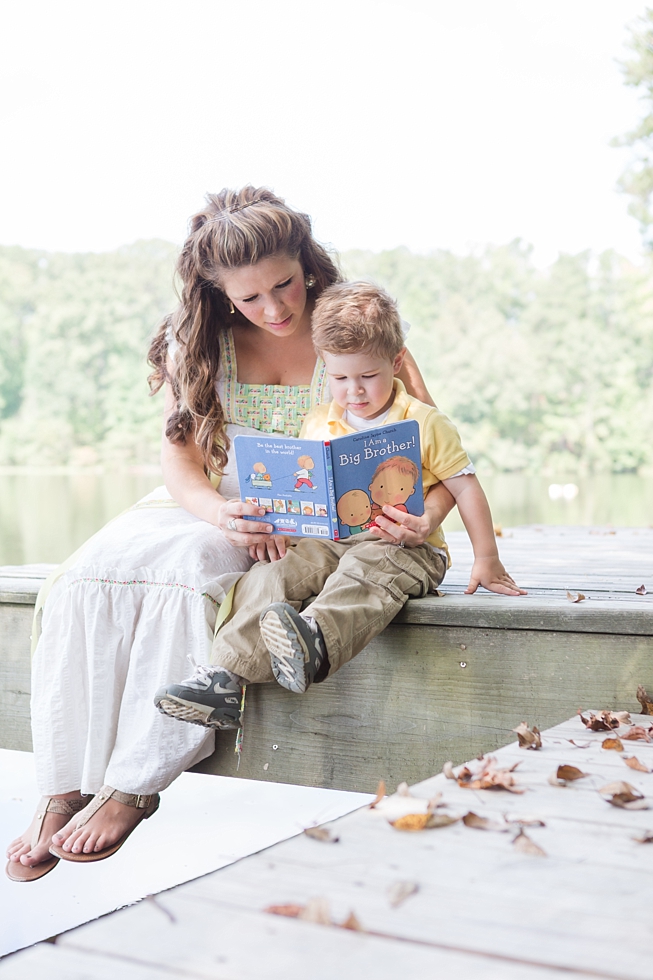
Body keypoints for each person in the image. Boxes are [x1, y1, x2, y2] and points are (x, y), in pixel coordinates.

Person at [6, 188, 451, 881]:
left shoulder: (350, 328)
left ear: (305, 262)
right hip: (223, 501)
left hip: (324, 518)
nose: (274, 309)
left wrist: (413, 516)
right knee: (87, 574)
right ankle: (62, 784)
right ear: (217, 292)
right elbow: (181, 463)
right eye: (250, 298)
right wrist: (219, 511)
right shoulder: (202, 342)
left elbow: (424, 446)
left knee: (188, 579)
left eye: (284, 284)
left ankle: (134, 782)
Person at [154, 281, 525, 725]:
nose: (354, 392)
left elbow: (464, 485)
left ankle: (316, 642)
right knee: (272, 575)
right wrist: (284, 527)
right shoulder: (319, 421)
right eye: (339, 378)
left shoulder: (423, 421)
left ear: (397, 361)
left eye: (368, 376)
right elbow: (307, 492)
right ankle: (225, 678)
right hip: (330, 540)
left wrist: (486, 557)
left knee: (364, 572)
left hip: (404, 547)